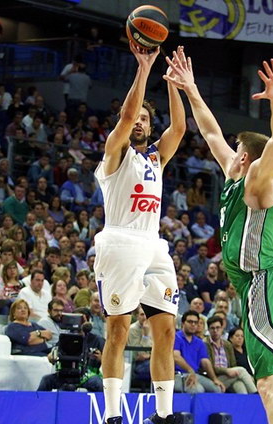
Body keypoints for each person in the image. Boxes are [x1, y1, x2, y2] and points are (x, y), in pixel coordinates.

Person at [167, 52, 273, 424]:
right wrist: (190, 87)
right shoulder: (235, 174)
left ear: (249, 159)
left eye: (238, 149)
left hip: (263, 285)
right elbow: (208, 130)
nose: (232, 152)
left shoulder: (258, 182)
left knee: (270, 384)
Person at [94, 44, 186, 424]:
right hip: (119, 241)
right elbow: (129, 111)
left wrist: (174, 83)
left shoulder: (156, 157)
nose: (139, 123)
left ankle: (163, 415)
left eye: (146, 120)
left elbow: (179, 128)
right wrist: (144, 67)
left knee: (165, 332)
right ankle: (113, 415)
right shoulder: (114, 154)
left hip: (154, 245)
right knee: (118, 331)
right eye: (134, 119)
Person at [173, 311, 225, 394]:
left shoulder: (199, 342)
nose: (193, 324)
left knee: (217, 389)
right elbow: (176, 356)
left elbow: (205, 362)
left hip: (195, 375)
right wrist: (190, 371)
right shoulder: (176, 337)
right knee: (198, 390)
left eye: (195, 322)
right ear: (183, 323)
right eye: (190, 322)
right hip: (178, 375)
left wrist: (214, 379)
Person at [204, 316, 257, 394]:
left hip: (228, 376)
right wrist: (226, 371)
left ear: (222, 329)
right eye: (212, 328)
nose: (215, 330)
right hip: (213, 378)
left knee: (240, 385)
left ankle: (247, 404)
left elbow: (233, 364)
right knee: (241, 371)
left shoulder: (227, 344)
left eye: (218, 328)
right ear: (208, 330)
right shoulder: (205, 344)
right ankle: (256, 394)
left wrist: (229, 371)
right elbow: (209, 366)